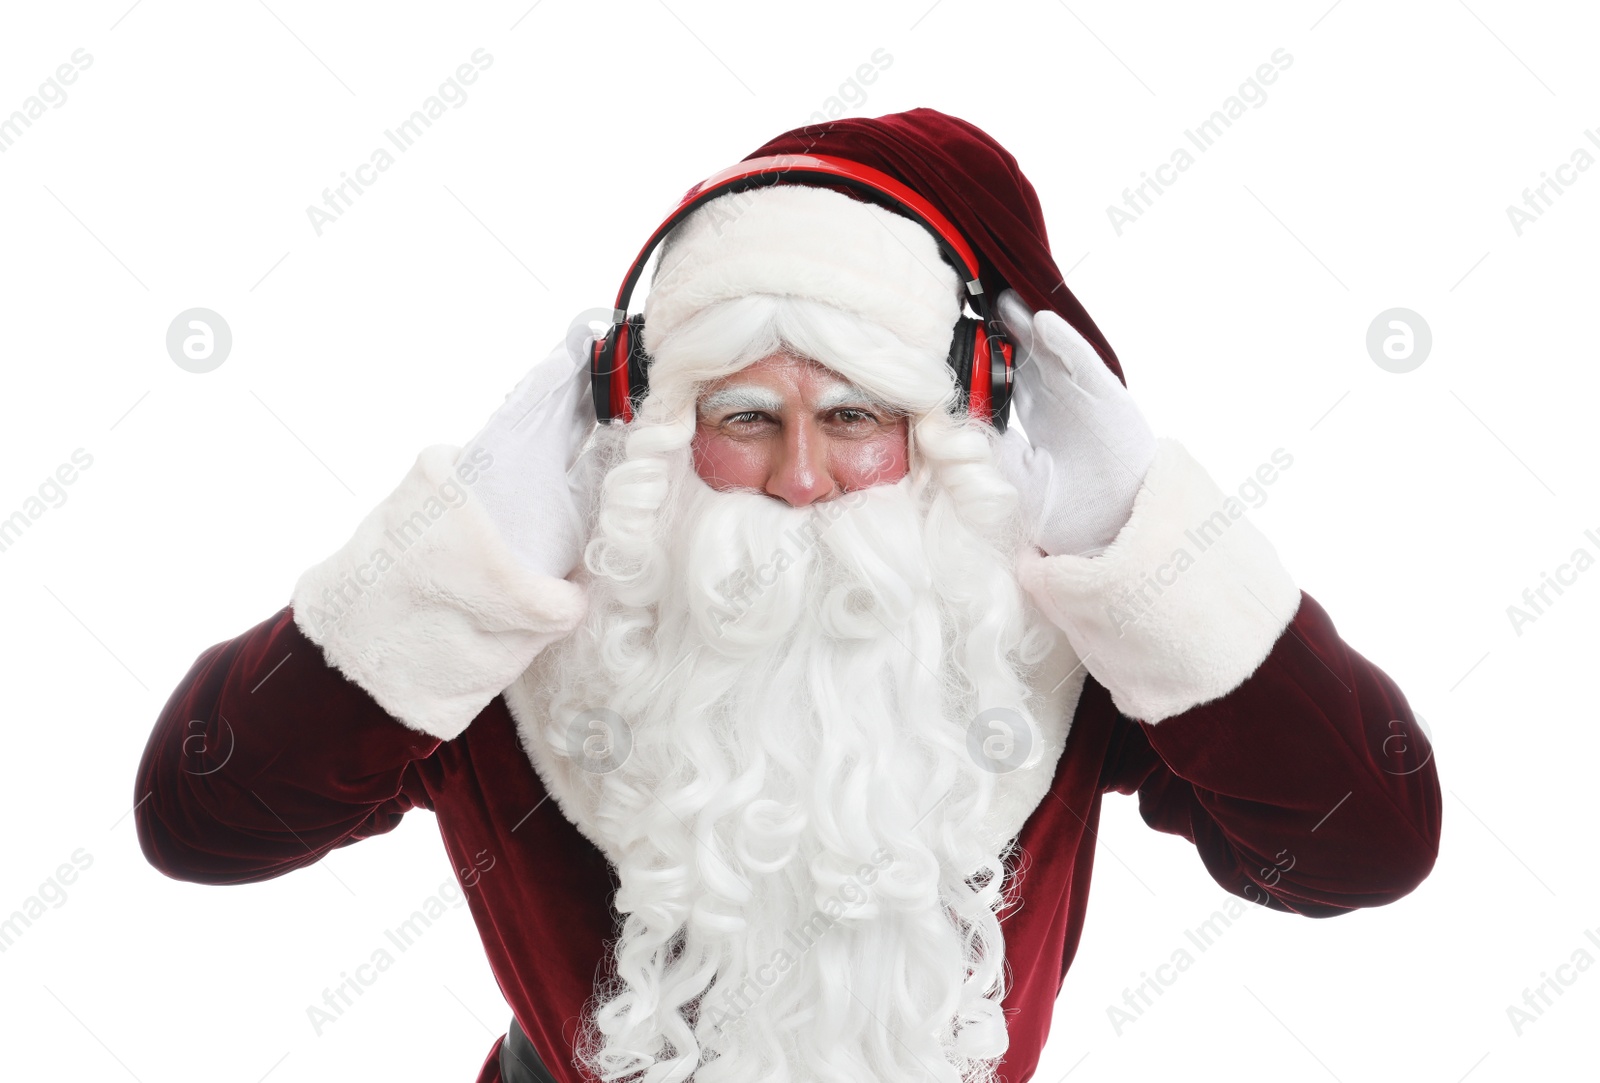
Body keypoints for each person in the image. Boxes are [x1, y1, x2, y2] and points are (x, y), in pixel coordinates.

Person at [135, 108, 1440, 1083]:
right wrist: (459, 545)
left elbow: (1363, 846)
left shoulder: (1025, 641)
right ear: (648, 424)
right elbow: (202, 818)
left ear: (954, 422)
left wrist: (1150, 538)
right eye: (745, 416)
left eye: (858, 416)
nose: (804, 476)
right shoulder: (515, 636)